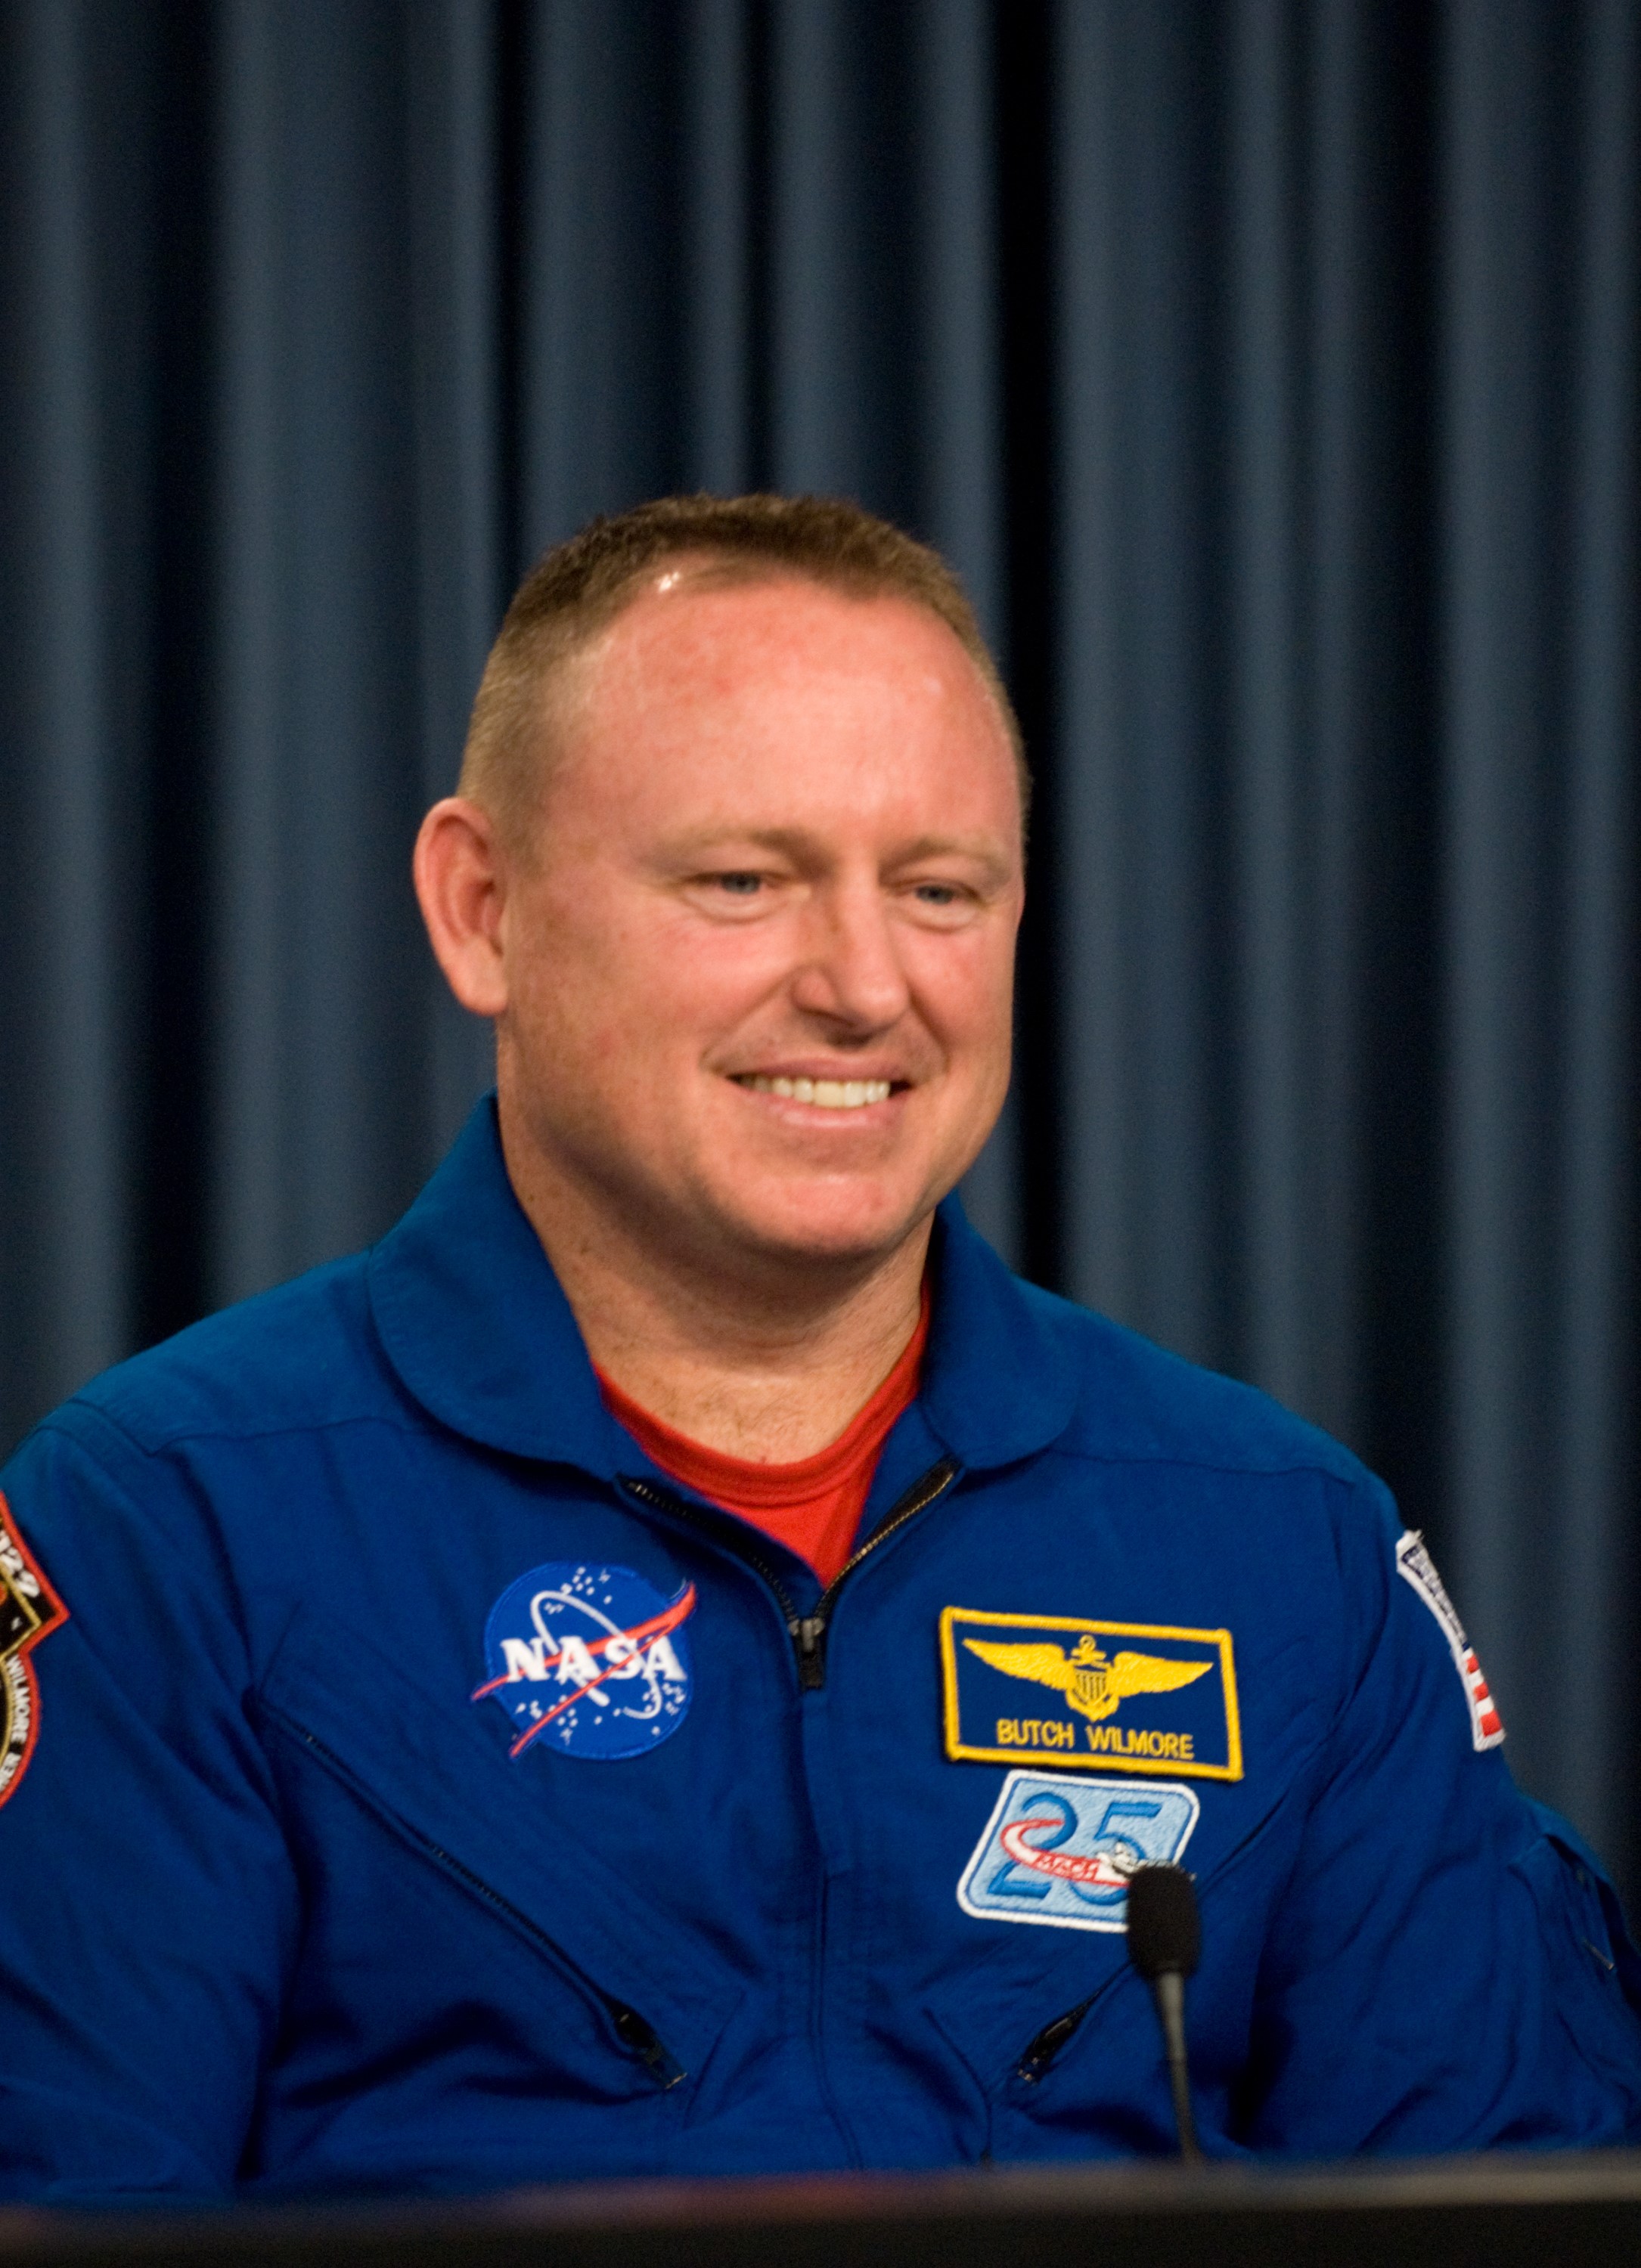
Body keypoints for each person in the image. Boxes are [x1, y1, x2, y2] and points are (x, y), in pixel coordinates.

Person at [0, 494, 1636, 2203]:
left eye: (937, 889)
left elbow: (1501, 2214)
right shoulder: (169, 1523)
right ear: (482, 909)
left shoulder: (1280, 1544)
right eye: (743, 881)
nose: (863, 985)